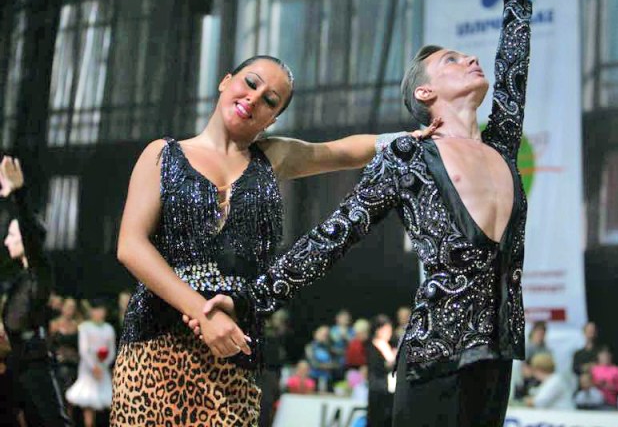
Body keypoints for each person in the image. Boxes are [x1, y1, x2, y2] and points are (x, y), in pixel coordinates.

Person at [191, 0, 556, 427]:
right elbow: (331, 238)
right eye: (451, 59)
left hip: (497, 361)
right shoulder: (408, 158)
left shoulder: (502, 147)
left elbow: (514, 75)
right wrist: (246, 300)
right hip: (433, 362)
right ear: (425, 93)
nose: (470, 58)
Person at [111, 54, 436, 425]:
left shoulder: (272, 158)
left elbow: (342, 151)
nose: (255, 98)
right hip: (156, 341)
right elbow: (131, 246)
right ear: (225, 81)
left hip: (235, 350)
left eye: (270, 100)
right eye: (251, 83)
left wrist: (412, 138)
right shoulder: (163, 154)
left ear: (272, 119)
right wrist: (205, 313)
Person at [0, 156, 71, 426]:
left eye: (12, 235)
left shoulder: (40, 271)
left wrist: (19, 195)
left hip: (33, 367)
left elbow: (31, 235)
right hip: (15, 365)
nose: (7, 240)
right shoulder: (22, 277)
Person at [65, 300, 115, 427]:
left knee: (108, 402)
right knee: (88, 402)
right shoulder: (84, 327)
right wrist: (93, 367)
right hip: (88, 369)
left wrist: (103, 366)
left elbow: (112, 351)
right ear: (91, 311)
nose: (98, 313)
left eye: (101, 310)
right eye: (96, 310)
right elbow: (84, 350)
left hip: (102, 369)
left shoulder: (109, 328)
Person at [49, 297, 81, 413]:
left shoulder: (78, 325)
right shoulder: (54, 324)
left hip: (74, 364)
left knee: (71, 401)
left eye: (73, 308)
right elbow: (49, 346)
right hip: (59, 365)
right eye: (68, 307)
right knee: (60, 398)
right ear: (62, 307)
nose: (70, 310)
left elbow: (81, 346)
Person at [366, 315, 396, 427]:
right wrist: (391, 364)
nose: (389, 332)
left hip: (389, 389)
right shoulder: (373, 347)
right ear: (378, 330)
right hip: (378, 387)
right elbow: (377, 366)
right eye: (386, 330)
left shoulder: (388, 346)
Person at [305, 325, 338, 391]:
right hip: (313, 378)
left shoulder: (329, 348)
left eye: (326, 335)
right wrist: (329, 365)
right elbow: (314, 364)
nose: (324, 337)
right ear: (315, 334)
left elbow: (336, 364)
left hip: (327, 378)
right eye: (322, 334)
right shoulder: (310, 347)